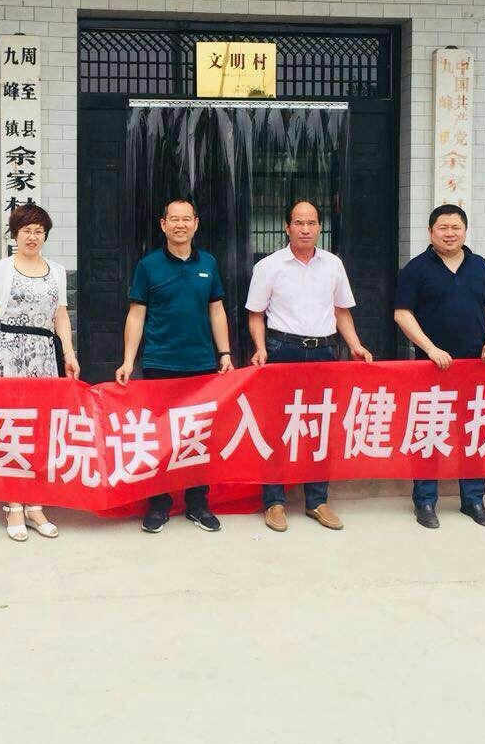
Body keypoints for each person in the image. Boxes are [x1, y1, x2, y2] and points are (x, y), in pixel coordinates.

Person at [246, 199, 373, 533]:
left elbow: (341, 311)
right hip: (282, 350)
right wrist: (260, 348)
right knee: (276, 427)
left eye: (312, 223)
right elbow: (255, 314)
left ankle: (317, 500)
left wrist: (355, 345)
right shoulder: (269, 266)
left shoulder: (333, 264)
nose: (305, 229)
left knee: (320, 426)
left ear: (320, 227)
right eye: (299, 223)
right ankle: (274, 501)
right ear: (287, 227)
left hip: (324, 352)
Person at [115, 197, 233, 535]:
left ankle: (197, 503)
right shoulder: (149, 266)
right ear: (163, 224)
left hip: (201, 363)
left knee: (198, 435)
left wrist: (224, 353)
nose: (180, 225)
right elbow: (136, 314)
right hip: (160, 363)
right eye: (174, 219)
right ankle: (159, 503)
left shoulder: (208, 263)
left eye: (186, 219)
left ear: (195, 223)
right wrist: (128, 361)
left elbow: (216, 310)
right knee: (160, 435)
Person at [0, 203, 80, 541]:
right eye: (26, 231)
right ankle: (13, 503)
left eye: (38, 231)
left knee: (40, 429)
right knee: (10, 427)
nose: (32, 237)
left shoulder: (57, 271)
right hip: (8, 353)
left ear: (45, 235)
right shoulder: (0, 269)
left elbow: (60, 316)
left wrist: (69, 353)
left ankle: (34, 503)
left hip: (44, 356)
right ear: (15, 235)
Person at [393, 204, 485, 530]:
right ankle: (425, 501)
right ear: (430, 232)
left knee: (473, 433)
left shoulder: (479, 266)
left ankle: (473, 499)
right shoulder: (416, 269)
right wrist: (430, 349)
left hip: (475, 366)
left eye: (456, 227)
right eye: (443, 228)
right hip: (432, 368)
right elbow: (402, 313)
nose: (450, 233)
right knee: (429, 433)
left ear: (465, 231)